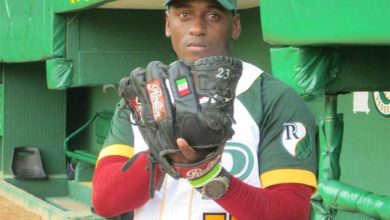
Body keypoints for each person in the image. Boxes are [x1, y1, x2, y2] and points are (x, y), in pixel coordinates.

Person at [92, 0, 318, 219]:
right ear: (168, 24)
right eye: (184, 15)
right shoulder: (143, 96)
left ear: (236, 25)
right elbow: (104, 202)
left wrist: (208, 175)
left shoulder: (272, 98)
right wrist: (161, 156)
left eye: (213, 16)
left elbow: (292, 212)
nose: (197, 28)